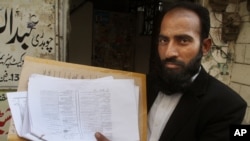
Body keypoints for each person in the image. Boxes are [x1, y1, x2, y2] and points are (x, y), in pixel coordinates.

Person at [95, 1, 247, 141]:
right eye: (163, 40)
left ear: (205, 46)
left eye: (183, 40)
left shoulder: (226, 106)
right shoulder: (143, 85)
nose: (169, 52)